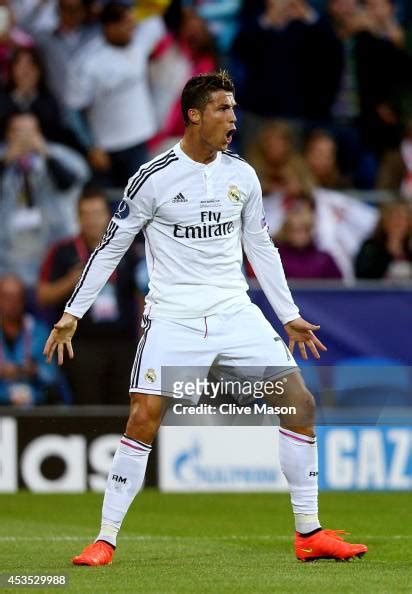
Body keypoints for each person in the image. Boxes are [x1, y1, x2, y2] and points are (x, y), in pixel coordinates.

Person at [44, 71, 367, 565]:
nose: (233, 120)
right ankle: (104, 538)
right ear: (194, 115)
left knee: (299, 402)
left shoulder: (242, 175)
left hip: (235, 309)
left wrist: (289, 315)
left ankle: (309, 533)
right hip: (173, 315)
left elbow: (261, 244)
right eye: (223, 109)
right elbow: (111, 248)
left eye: (234, 110)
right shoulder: (153, 177)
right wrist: (72, 313)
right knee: (144, 415)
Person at [37, 187, 142, 404]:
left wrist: (143, 337)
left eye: (97, 213)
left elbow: (141, 294)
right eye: (85, 214)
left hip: (122, 343)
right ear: (77, 218)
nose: (92, 220)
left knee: (122, 405)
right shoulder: (63, 251)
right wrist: (72, 281)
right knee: (88, 404)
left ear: (108, 216)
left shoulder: (125, 248)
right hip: (80, 344)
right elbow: (43, 296)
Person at [65, 1, 165, 187]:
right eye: (126, 25)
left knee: (140, 198)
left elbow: (157, 16)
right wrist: (91, 147)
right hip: (106, 148)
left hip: (139, 138)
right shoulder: (87, 62)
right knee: (110, 206)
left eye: (132, 23)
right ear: (109, 26)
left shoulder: (140, 41)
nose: (132, 29)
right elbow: (72, 111)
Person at [0, 113, 89, 288]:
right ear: (8, 135)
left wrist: (46, 155)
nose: (25, 139)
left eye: (30, 132)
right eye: (18, 132)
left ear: (40, 133)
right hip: (8, 248)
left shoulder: (56, 154)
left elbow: (71, 182)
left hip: (51, 241)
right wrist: (6, 161)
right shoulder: (3, 156)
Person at [0, 274, 57, 405]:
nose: (12, 303)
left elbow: (52, 375)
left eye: (17, 298)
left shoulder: (39, 330)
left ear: (23, 300)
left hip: (33, 403)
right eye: (7, 297)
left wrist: (31, 370)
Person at [355, 200, 412, 279]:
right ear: (384, 221)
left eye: (403, 219)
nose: (398, 223)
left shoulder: (409, 249)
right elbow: (364, 277)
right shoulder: (370, 248)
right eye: (394, 218)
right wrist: (389, 251)